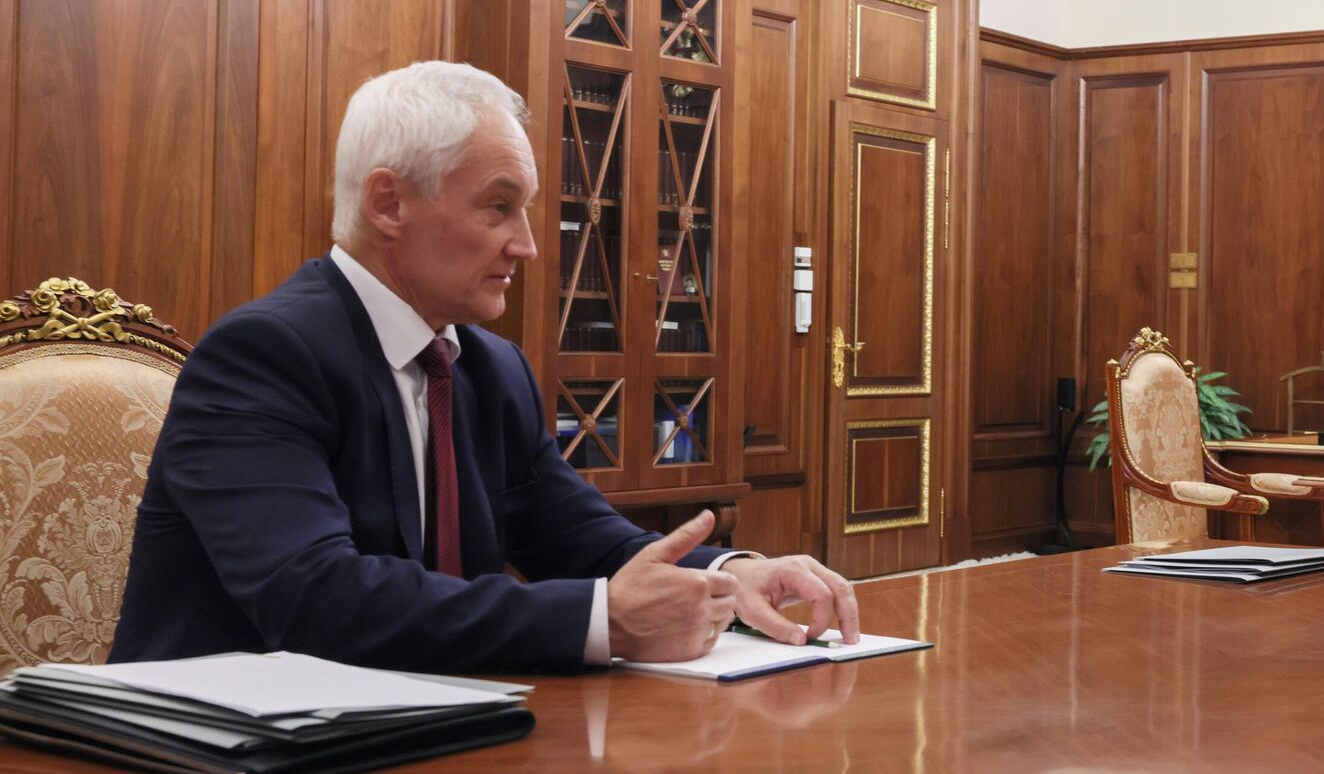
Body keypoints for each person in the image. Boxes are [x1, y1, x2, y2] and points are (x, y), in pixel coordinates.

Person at [112, 61, 859, 673]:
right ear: (388, 203)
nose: (526, 245)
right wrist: (601, 619)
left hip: (427, 727)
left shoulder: (491, 369)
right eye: (498, 207)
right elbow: (316, 599)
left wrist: (730, 575)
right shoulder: (263, 356)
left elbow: (583, 540)